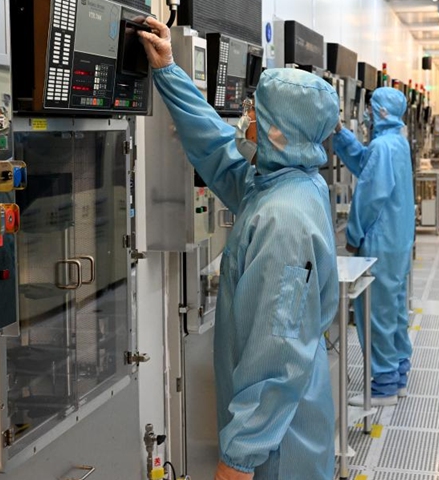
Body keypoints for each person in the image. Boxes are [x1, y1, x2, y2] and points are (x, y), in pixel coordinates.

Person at [139, 18, 340, 480]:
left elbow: (278, 350)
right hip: (278, 430)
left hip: (278, 449)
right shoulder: (281, 181)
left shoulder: (284, 220)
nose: (244, 115)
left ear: (275, 134)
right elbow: (217, 149)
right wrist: (169, 71)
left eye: (254, 110)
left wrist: (239, 458)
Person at [333, 87, 415, 406]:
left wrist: (353, 237)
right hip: (398, 240)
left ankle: (383, 386)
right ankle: (398, 373)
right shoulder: (396, 143)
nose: (366, 114)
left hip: (380, 239)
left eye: (370, 108)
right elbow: (365, 164)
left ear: (381, 112)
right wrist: (340, 134)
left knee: (375, 313)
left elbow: (368, 196)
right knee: (393, 309)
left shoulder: (382, 146)